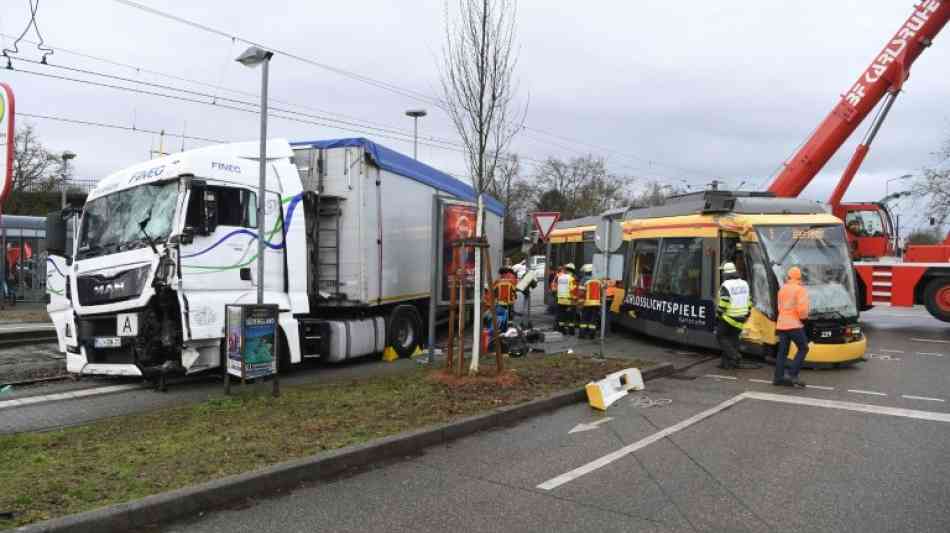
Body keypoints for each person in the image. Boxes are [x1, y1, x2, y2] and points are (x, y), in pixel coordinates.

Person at [774, 266, 810, 387]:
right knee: (804, 348)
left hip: (781, 324)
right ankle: (792, 374)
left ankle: (778, 378)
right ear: (799, 277)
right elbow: (802, 310)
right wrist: (804, 318)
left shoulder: (782, 289)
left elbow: (779, 307)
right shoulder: (800, 290)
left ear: (789, 276)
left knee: (782, 352)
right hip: (794, 324)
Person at [716, 262, 750, 369]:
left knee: (720, 336)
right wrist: (747, 312)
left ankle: (734, 356)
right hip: (742, 317)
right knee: (732, 339)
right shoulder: (744, 283)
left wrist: (719, 313)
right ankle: (727, 364)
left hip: (729, 317)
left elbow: (725, 301)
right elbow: (749, 300)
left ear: (725, 274)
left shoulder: (726, 285)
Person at [578, 264, 602, 339]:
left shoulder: (584, 279)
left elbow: (581, 292)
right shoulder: (598, 280)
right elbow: (601, 292)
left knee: (584, 319)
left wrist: (580, 303)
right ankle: (592, 335)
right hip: (596, 304)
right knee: (593, 320)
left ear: (586, 272)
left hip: (587, 303)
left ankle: (582, 335)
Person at [556, 263, 578, 335]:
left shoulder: (560, 277)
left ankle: (561, 330)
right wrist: (575, 300)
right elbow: (573, 290)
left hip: (560, 300)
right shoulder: (571, 279)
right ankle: (571, 332)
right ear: (572, 270)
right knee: (571, 317)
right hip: (569, 300)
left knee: (561, 316)